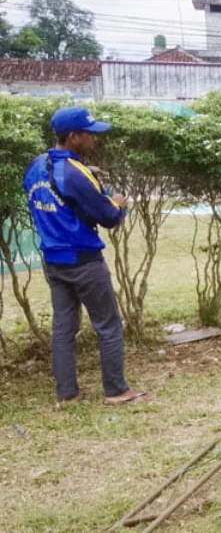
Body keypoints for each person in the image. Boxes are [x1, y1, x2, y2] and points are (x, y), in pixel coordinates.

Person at [23, 106, 151, 405]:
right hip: (84, 261)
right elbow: (108, 217)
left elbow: (57, 183)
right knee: (108, 325)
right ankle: (116, 390)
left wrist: (85, 174)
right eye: (89, 135)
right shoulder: (75, 175)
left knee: (63, 328)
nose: (94, 140)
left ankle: (67, 394)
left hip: (54, 260)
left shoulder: (37, 165)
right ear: (73, 136)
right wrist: (118, 202)